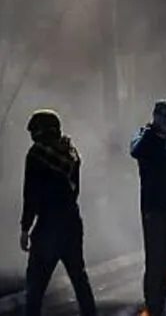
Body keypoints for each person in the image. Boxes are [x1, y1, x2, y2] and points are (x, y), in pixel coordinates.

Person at [20, 110, 97, 316]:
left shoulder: (37, 154)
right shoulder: (71, 153)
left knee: (35, 285)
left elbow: (31, 195)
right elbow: (75, 190)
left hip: (48, 227)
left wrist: (25, 228)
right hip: (72, 222)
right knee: (79, 279)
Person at [130, 100, 166, 316]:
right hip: (154, 211)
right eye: (163, 115)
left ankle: (161, 305)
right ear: (155, 116)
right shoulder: (144, 139)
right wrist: (151, 131)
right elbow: (136, 151)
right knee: (155, 262)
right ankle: (153, 308)